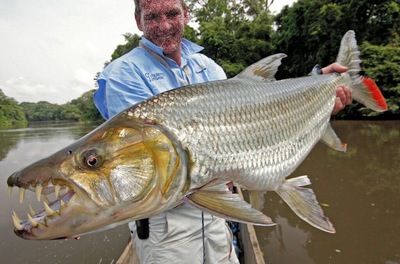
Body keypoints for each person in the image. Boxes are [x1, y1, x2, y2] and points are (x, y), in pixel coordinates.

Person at [93, 0, 352, 263]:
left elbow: (254, 116)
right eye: (152, 17)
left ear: (186, 15)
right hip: (166, 225)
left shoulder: (207, 66)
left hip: (217, 211)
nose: (164, 25)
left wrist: (318, 87)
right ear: (138, 20)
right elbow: (135, 166)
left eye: (172, 14)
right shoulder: (123, 74)